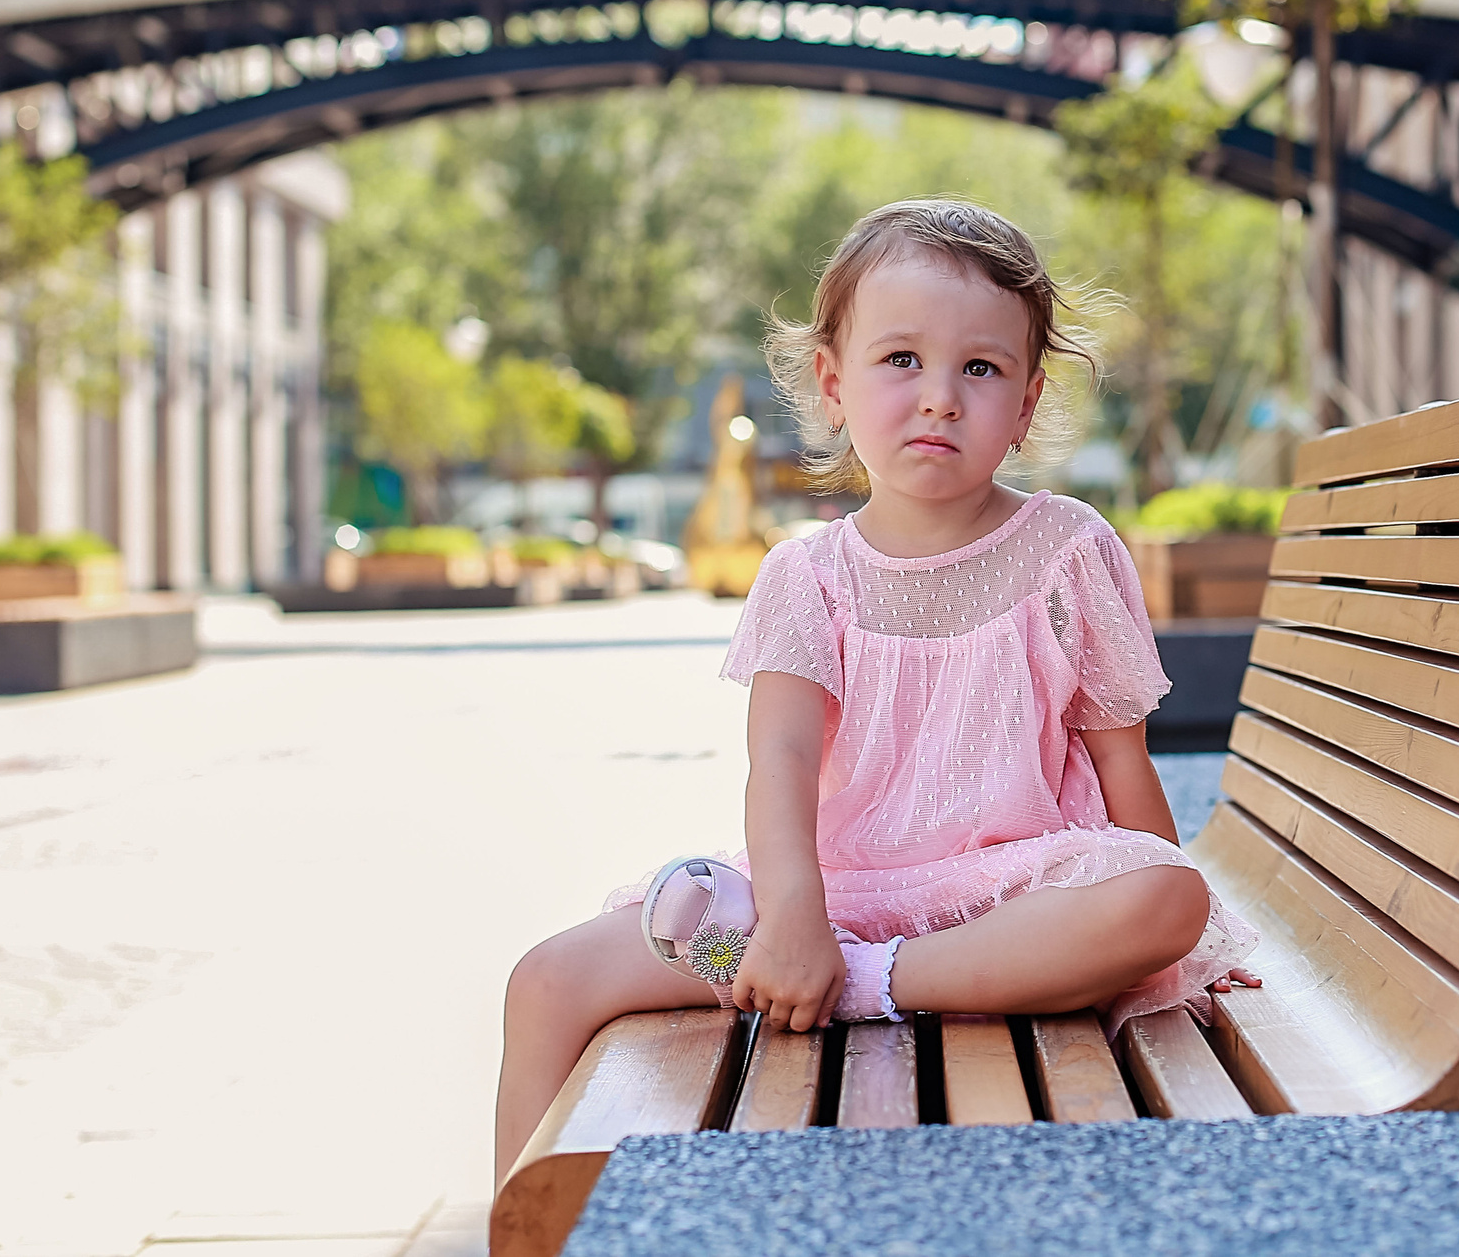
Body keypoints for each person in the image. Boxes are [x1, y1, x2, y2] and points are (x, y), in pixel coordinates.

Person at [494, 199, 1257, 1180]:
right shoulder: (807, 575)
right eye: (901, 359)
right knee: (545, 981)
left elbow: (1123, 762)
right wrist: (794, 918)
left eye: (980, 368)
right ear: (832, 384)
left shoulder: (1068, 550)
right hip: (830, 892)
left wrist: (1183, 949)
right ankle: (524, 1232)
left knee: (1168, 895)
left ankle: (855, 984)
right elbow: (779, 760)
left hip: (1015, 898)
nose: (939, 397)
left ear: (1026, 403)